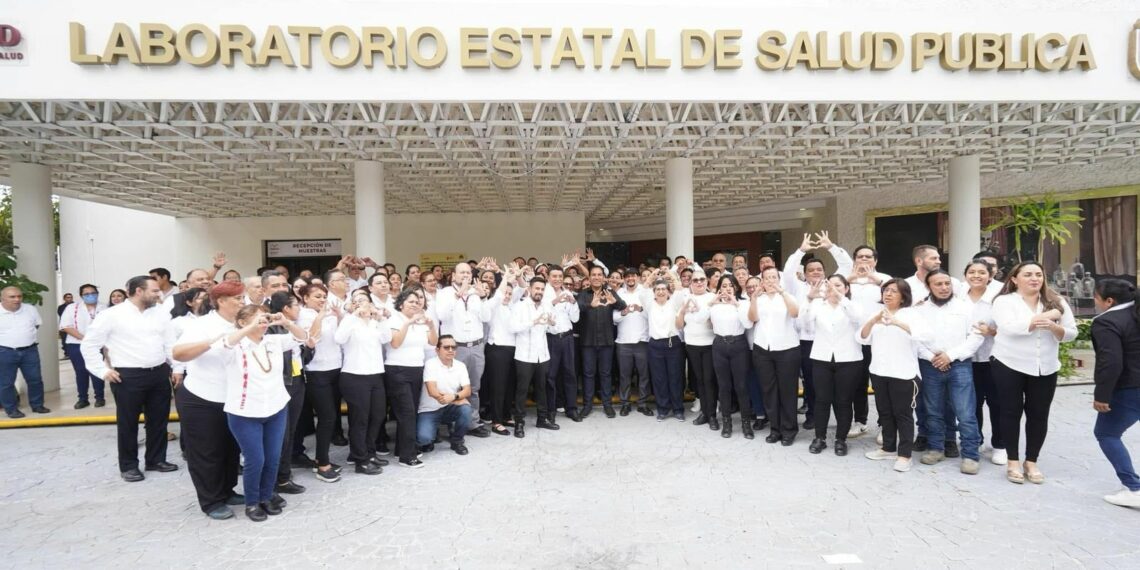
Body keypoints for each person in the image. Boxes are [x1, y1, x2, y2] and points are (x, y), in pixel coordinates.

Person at [79, 276, 175, 482]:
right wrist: (102, 371)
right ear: (138, 291)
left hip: (159, 373)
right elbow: (88, 345)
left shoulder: (160, 313)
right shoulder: (111, 315)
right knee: (128, 423)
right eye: (155, 291)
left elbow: (169, 342)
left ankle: (156, 459)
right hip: (128, 376)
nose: (159, 294)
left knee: (159, 420)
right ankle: (129, 465)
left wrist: (176, 367)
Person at [217, 304, 307, 521]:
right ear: (242, 322)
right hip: (245, 411)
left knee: (273, 457)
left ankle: (266, 496)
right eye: (257, 319)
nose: (263, 322)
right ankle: (252, 502)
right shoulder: (235, 343)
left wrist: (286, 323)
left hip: (275, 407)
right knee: (255, 459)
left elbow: (303, 338)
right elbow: (226, 343)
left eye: (264, 318)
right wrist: (249, 328)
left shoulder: (273, 341)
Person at [990, 261, 1077, 484]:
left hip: (1045, 366)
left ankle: (1031, 461)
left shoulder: (1056, 302)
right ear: (1014, 279)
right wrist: (1051, 316)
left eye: (1038, 274)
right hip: (1010, 363)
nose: (1034, 278)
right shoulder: (1004, 301)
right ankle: (1012, 460)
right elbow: (1010, 328)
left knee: (1039, 414)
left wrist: (1056, 327)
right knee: (1010, 412)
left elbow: (1071, 333)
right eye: (1028, 274)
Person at [171, 281, 246, 519]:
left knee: (230, 448)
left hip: (232, 397)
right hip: (202, 397)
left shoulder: (242, 323)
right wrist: (213, 341)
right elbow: (178, 353)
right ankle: (211, 500)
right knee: (207, 451)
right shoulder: (203, 325)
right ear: (221, 301)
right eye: (238, 299)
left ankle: (227, 490)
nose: (242, 303)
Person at [914, 270, 985, 475]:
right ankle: (936, 448)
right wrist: (932, 357)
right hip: (930, 364)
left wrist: (950, 356)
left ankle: (971, 455)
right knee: (933, 409)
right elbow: (915, 338)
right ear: (929, 287)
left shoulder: (966, 307)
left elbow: (976, 336)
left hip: (960, 365)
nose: (944, 288)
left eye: (947, 283)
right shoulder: (919, 310)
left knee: (965, 411)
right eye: (938, 284)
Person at [860, 279, 926, 473]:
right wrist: (873, 321)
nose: (888, 294)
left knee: (903, 414)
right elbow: (862, 337)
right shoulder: (876, 313)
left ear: (903, 296)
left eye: (893, 291)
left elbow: (926, 336)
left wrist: (897, 323)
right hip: (880, 372)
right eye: (886, 290)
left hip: (904, 374)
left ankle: (904, 455)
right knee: (885, 413)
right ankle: (888, 448)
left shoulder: (912, 314)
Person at [800, 274, 863, 456]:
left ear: (847, 288)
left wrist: (840, 297)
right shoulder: (819, 306)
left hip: (848, 359)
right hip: (821, 357)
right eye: (829, 286)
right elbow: (804, 323)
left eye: (838, 286)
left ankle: (840, 439)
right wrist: (809, 299)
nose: (833, 289)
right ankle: (820, 437)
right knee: (822, 399)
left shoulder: (853, 306)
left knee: (843, 400)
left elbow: (857, 318)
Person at [1090, 279, 1140, 508]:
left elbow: (1110, 362)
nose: (1094, 300)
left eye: (1096, 296)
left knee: (1106, 433)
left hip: (1130, 387)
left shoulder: (1107, 321)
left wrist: (1102, 395)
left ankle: (1134, 488)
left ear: (1109, 301)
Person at [433, 262, 493, 438]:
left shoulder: (476, 293)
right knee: (453, 387)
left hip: (475, 346)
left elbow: (486, 317)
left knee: (473, 387)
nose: (466, 275)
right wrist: (459, 295)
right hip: (455, 347)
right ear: (454, 275)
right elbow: (443, 315)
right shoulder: (444, 293)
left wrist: (483, 298)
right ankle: (453, 423)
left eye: (468, 272)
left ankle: (472, 423)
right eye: (462, 273)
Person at [334, 292, 391, 475]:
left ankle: (370, 451)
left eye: (364, 301)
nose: (362, 305)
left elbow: (387, 338)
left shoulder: (374, 324)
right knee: (360, 419)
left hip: (375, 374)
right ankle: (360, 459)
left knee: (378, 415)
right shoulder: (349, 321)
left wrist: (380, 318)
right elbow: (339, 339)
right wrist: (352, 316)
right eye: (357, 302)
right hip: (354, 375)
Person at [746, 266, 801, 446]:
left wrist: (782, 292)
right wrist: (753, 298)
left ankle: (789, 429)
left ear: (779, 279)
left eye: (773, 277)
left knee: (787, 391)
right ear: (762, 281)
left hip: (787, 349)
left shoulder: (787, 296)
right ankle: (775, 429)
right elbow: (753, 318)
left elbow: (795, 313)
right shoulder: (759, 299)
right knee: (769, 390)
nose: (770, 281)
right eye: (766, 278)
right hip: (763, 348)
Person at [385, 288, 438, 468]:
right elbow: (395, 342)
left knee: (410, 411)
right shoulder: (394, 319)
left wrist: (430, 326)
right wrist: (408, 323)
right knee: (406, 412)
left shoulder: (420, 322)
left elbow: (433, 342)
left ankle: (402, 448)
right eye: (410, 302)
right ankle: (407, 456)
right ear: (401, 304)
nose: (415, 304)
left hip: (416, 369)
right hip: (397, 369)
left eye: (417, 302)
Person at [296, 283, 343, 483]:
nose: (322, 299)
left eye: (324, 296)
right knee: (327, 417)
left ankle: (322, 457)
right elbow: (311, 337)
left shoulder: (329, 313)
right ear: (305, 298)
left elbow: (341, 337)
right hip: (317, 372)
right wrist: (321, 315)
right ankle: (322, 463)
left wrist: (339, 315)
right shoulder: (304, 315)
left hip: (336, 368)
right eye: (317, 296)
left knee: (333, 417)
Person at [268, 291, 312, 495]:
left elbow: (306, 343)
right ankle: (278, 478)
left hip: (296, 380)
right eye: (296, 305)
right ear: (285, 308)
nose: (299, 308)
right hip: (280, 383)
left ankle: (283, 474)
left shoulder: (291, 326)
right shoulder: (271, 329)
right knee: (281, 433)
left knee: (290, 430)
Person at [962, 259, 1006, 466]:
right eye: (972, 272)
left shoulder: (999, 299)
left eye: (982, 272)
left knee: (997, 403)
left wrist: (991, 332)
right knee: (972, 403)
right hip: (967, 359)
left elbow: (1009, 329)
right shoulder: (959, 298)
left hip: (993, 358)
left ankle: (1000, 445)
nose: (976, 276)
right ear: (965, 275)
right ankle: (976, 439)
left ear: (990, 275)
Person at [846, 245, 889, 439]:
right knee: (857, 384)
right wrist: (850, 278)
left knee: (881, 384)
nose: (864, 260)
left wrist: (875, 279)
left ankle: (884, 424)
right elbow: (831, 291)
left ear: (875, 260)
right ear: (854, 260)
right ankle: (860, 421)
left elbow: (899, 296)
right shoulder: (848, 281)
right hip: (854, 341)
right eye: (860, 257)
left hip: (880, 341)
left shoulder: (885, 280)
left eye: (868, 257)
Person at [510, 277, 560, 436]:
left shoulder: (547, 306)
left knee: (542, 388)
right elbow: (513, 327)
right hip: (524, 355)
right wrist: (534, 321)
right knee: (522, 390)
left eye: (542, 289)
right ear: (530, 289)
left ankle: (542, 419)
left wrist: (552, 324)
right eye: (536, 288)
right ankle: (519, 423)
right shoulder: (520, 306)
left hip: (542, 355)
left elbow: (553, 329)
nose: (539, 291)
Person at [706, 275, 753, 438]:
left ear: (736, 288)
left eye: (730, 285)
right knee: (724, 386)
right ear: (719, 288)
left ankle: (746, 423)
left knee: (741, 386)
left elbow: (748, 324)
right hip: (719, 345)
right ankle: (727, 422)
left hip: (738, 345)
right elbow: (699, 318)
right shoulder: (714, 306)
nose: (727, 288)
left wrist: (736, 304)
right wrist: (712, 301)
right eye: (724, 285)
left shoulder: (743, 303)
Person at [577, 265, 627, 418]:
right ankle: (587, 405)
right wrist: (589, 305)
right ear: (589, 277)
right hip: (587, 341)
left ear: (603, 277)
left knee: (606, 374)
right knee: (588, 374)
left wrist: (614, 302)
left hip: (606, 340)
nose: (597, 277)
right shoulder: (584, 293)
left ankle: (607, 405)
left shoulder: (609, 292)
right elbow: (577, 308)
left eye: (599, 274)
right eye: (594, 274)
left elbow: (623, 306)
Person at [417, 334, 474, 455]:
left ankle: (457, 441)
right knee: (424, 439)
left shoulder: (460, 366)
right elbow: (432, 392)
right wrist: (457, 398)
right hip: (429, 409)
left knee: (466, 410)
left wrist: (454, 396)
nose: (450, 350)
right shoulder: (430, 364)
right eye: (446, 347)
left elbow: (467, 390)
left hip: (449, 407)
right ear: (437, 350)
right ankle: (432, 434)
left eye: (453, 347)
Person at [485, 265, 524, 436]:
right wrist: (506, 278)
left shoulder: (512, 305)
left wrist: (518, 275)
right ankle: (496, 421)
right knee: (498, 387)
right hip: (497, 350)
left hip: (513, 350)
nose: (507, 296)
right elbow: (500, 294)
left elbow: (522, 288)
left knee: (509, 386)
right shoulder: (492, 305)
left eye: (510, 293)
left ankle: (507, 415)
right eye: (505, 293)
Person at [0, 286, 49, 418]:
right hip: (4, 352)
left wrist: (24, 337)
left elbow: (36, 325)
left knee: (35, 380)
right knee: (6, 383)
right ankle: (11, 409)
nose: (17, 299)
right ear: (2, 298)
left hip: (30, 351)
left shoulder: (30, 309)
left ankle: (37, 405)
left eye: (19, 296)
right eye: (12, 297)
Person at [642, 273, 685, 422]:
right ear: (654, 292)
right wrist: (654, 275)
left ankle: (678, 409)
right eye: (658, 289)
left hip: (673, 344)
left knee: (675, 378)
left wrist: (671, 275)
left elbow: (679, 288)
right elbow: (645, 286)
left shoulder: (674, 302)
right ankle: (663, 409)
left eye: (663, 289)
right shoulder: (649, 304)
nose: (660, 291)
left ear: (668, 291)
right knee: (659, 379)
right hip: (655, 345)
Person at [59, 284, 107, 409]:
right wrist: (85, 339)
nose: (90, 295)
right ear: (81, 296)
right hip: (76, 344)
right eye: (86, 294)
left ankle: (100, 397)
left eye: (93, 293)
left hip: (97, 345)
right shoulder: (72, 308)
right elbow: (66, 326)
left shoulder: (104, 308)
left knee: (97, 371)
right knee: (80, 372)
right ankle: (83, 398)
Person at [542, 266, 581, 421]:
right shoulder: (544, 293)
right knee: (550, 375)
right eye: (554, 276)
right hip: (551, 338)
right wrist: (554, 301)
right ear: (548, 277)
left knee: (570, 374)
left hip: (567, 338)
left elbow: (575, 318)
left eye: (560, 276)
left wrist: (572, 303)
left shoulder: (568, 292)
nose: (557, 279)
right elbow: (541, 313)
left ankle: (571, 408)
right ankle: (550, 410)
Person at [614, 268, 652, 417]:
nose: (630, 278)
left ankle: (642, 403)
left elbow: (652, 314)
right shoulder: (618, 294)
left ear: (638, 278)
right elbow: (614, 318)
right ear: (624, 279)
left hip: (642, 340)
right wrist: (624, 312)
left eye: (633, 276)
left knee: (644, 375)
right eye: (627, 276)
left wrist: (640, 309)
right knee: (624, 375)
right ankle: (625, 404)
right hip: (623, 341)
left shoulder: (645, 293)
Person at [681, 267, 716, 426]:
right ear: (691, 283)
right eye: (695, 280)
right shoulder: (685, 298)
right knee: (700, 380)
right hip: (692, 344)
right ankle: (705, 413)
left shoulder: (713, 297)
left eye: (702, 279)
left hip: (709, 344)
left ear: (707, 281)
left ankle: (713, 415)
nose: (699, 282)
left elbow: (710, 321)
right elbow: (684, 321)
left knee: (709, 380)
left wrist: (701, 312)